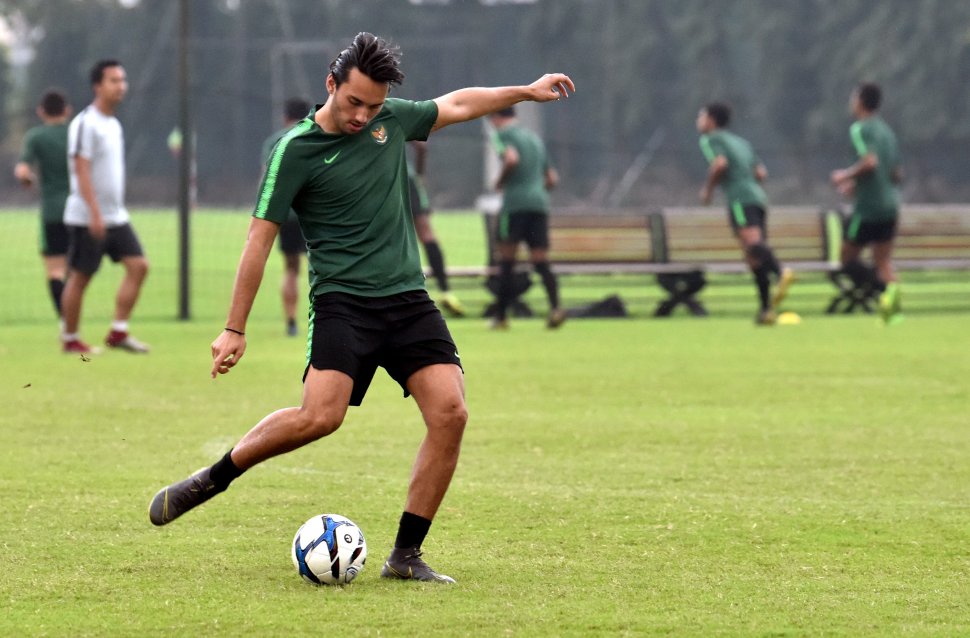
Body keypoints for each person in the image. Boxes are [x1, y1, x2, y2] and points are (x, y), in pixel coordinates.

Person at [148, 32, 574, 584]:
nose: (363, 115)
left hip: (408, 299)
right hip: (343, 303)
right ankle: (216, 476)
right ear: (331, 85)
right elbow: (258, 239)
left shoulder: (389, 121)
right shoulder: (294, 151)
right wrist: (234, 328)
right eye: (354, 102)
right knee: (319, 417)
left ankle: (406, 556)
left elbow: (459, 103)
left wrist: (526, 91)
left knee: (451, 413)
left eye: (373, 105)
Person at [60, 60, 149, 354]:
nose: (121, 86)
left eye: (122, 80)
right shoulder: (86, 123)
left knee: (139, 266)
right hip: (88, 217)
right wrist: (94, 213)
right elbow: (81, 169)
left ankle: (118, 333)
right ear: (98, 86)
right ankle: (71, 338)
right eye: (113, 80)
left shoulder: (113, 123)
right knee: (81, 277)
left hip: (116, 216)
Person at [697, 102, 794, 325]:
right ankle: (766, 310)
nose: (698, 122)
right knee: (754, 257)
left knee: (752, 246)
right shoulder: (741, 142)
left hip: (740, 199)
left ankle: (781, 273)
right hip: (758, 198)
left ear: (711, 120)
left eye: (701, 117)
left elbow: (720, 164)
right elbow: (761, 173)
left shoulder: (711, 139)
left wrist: (708, 190)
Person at [830, 83, 903, 324]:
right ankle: (894, 313)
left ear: (860, 101)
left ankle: (878, 290)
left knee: (846, 258)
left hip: (868, 208)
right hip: (890, 205)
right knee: (883, 260)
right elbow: (895, 174)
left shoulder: (860, 129)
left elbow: (870, 162)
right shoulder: (887, 132)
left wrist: (845, 176)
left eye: (853, 97)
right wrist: (859, 184)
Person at [488, 106, 565, 330]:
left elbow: (511, 159)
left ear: (495, 117)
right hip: (539, 204)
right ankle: (556, 308)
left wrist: (501, 181)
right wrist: (535, 191)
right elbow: (552, 178)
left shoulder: (502, 135)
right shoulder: (534, 139)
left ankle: (501, 317)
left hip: (515, 205)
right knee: (540, 260)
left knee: (507, 261)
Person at [14, 89, 72, 318]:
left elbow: (22, 171)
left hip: (52, 212)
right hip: (79, 210)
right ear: (67, 110)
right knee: (75, 270)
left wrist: (28, 179)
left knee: (55, 269)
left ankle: (65, 321)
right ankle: (73, 321)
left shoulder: (36, 137)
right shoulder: (75, 133)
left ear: (41, 111)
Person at [262, 97, 311, 336]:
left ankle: (291, 321)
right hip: (315, 213)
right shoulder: (317, 137)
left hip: (287, 214)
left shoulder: (274, 142)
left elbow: (267, 182)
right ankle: (324, 319)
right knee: (323, 267)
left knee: (291, 268)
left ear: (285, 116)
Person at [407, 141, 465, 317]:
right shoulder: (388, 119)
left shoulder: (373, 120)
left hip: (388, 180)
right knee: (426, 234)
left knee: (387, 236)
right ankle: (445, 291)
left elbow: (421, 146)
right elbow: (421, 147)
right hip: (407, 179)